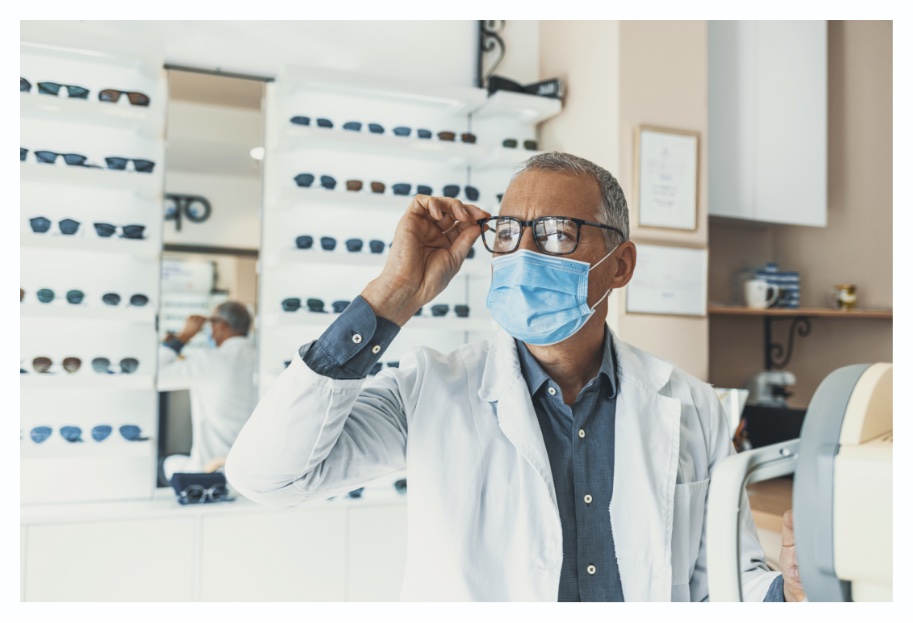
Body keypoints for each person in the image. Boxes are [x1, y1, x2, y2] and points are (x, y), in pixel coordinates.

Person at [225, 153, 803, 602]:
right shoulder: (430, 389)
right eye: (507, 232)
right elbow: (267, 476)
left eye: (556, 232)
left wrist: (788, 592)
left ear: (619, 265)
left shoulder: (691, 406)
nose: (523, 251)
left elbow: (724, 578)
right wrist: (392, 297)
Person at [159, 300, 258, 482]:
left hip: (210, 470)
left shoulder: (210, 360)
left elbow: (155, 377)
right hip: (253, 470)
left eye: (210, 322)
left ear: (221, 325)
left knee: (163, 465)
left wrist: (183, 338)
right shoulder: (260, 359)